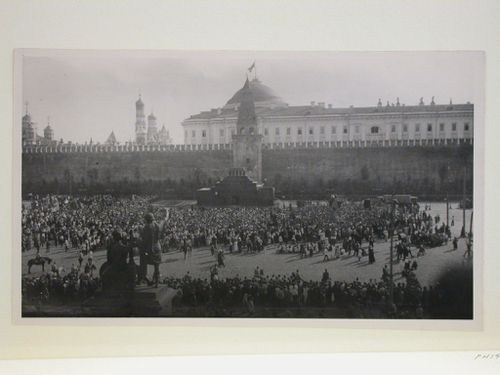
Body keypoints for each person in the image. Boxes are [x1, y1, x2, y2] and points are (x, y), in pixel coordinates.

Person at [139, 212, 161, 287]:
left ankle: (146, 279)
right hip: (157, 247)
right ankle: (156, 282)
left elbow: (145, 239)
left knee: (143, 262)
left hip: (149, 249)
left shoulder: (146, 227)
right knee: (156, 266)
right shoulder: (157, 225)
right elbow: (158, 237)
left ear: (147, 219)